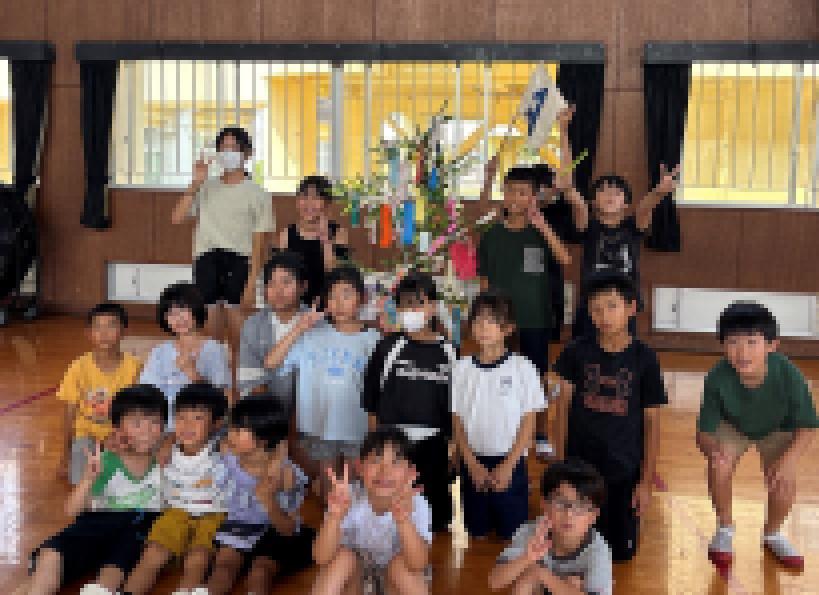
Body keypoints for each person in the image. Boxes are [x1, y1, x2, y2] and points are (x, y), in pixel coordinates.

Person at [551, 271, 666, 562]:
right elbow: (561, 409)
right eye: (596, 309)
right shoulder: (575, 352)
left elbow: (652, 423)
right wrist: (560, 463)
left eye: (612, 306)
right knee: (573, 546)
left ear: (631, 307)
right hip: (580, 469)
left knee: (621, 554)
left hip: (623, 471)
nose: (604, 316)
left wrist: (645, 482)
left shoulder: (645, 358)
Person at [697, 302, 818, 570]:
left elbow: (808, 426)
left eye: (752, 342)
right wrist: (713, 451)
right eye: (733, 342)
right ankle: (725, 528)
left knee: (783, 480)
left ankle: (772, 533)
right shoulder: (717, 377)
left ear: (772, 345)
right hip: (733, 425)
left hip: (778, 427)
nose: (742, 352)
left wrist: (788, 461)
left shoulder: (789, 374)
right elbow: (703, 433)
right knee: (719, 466)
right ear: (722, 345)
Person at [17, 386, 166, 595]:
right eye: (137, 423)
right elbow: (72, 510)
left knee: (112, 572)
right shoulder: (107, 461)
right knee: (50, 558)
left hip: (132, 533)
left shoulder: (165, 458)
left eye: (155, 422)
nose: (147, 431)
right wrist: (88, 479)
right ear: (117, 427)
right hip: (95, 524)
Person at [478, 166, 570, 462]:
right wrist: (486, 318)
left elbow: (565, 258)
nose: (515, 198)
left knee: (537, 378)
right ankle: (504, 430)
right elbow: (484, 282)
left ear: (534, 197)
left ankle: (540, 434)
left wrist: (542, 226)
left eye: (522, 193)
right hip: (499, 323)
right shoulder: (492, 235)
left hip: (535, 319)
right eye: (510, 191)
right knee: (498, 375)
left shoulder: (541, 231)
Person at [264, 265, 380, 482]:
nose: (339, 303)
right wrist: (299, 328)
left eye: (346, 295)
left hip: (358, 427)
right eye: (332, 296)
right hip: (320, 426)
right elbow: (271, 362)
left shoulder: (374, 340)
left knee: (356, 484)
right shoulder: (312, 336)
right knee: (328, 483)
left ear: (361, 298)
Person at [362, 270, 457, 533]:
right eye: (405, 304)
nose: (411, 310)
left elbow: (457, 404)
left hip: (434, 442)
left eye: (419, 303)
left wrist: (454, 445)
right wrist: (376, 446)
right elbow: (372, 401)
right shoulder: (387, 348)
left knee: (434, 517)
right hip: (394, 442)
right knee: (390, 508)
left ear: (433, 307)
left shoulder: (450, 351)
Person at [452, 291, 546, 540]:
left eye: (492, 320)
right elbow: (457, 420)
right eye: (478, 320)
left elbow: (529, 421)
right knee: (477, 532)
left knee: (512, 534)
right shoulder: (461, 369)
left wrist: (508, 465)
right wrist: (470, 463)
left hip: (510, 461)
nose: (483, 327)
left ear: (508, 328)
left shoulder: (523, 368)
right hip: (473, 461)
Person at [121, 383, 228, 595]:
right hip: (175, 512)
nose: (187, 425)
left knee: (198, 558)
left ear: (216, 424)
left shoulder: (221, 448)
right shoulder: (166, 447)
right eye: (181, 417)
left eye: (197, 418)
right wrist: (168, 440)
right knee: (152, 554)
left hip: (213, 514)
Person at [171, 126, 274, 344]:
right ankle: (216, 365)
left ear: (247, 153)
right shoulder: (206, 187)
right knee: (209, 323)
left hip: (240, 260)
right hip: (207, 258)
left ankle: (238, 366)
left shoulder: (258, 194)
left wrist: (252, 282)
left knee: (237, 324)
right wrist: (196, 182)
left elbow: (260, 243)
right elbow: (177, 218)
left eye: (234, 148)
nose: (229, 153)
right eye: (224, 148)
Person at [206, 396, 313, 595]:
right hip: (239, 526)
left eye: (239, 431)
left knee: (260, 571)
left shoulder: (286, 476)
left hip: (276, 531)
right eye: (231, 428)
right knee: (223, 567)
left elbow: (288, 529)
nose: (230, 435)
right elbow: (220, 440)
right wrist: (279, 450)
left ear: (263, 439)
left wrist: (268, 500)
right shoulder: (228, 457)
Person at [311, 428, 432, 595]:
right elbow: (321, 557)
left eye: (395, 462)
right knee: (342, 558)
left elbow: (418, 563)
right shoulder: (346, 497)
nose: (384, 471)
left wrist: (404, 521)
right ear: (359, 467)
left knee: (402, 567)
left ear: (410, 471)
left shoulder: (417, 503)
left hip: (394, 583)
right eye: (375, 461)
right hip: (358, 581)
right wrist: (334, 517)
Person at [569, 166, 679, 340]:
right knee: (584, 349)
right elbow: (579, 206)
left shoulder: (633, 227)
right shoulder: (589, 227)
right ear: (593, 201)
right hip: (592, 304)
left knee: (622, 349)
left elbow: (645, 207)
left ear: (626, 203)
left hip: (623, 305)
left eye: (617, 193)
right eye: (603, 191)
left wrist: (658, 192)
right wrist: (568, 189)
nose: (610, 195)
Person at [489, 459, 612, 595]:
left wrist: (542, 574)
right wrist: (526, 557)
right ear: (544, 504)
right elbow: (495, 582)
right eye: (560, 502)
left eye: (581, 506)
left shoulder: (598, 549)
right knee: (528, 576)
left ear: (593, 515)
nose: (569, 514)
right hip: (540, 589)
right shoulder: (532, 532)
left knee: (573, 582)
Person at [56, 302, 142, 484]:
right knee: (79, 481)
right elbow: (70, 414)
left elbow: (137, 412)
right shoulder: (78, 368)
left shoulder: (135, 367)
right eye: (97, 327)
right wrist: (65, 455)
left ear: (124, 331)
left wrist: (122, 436)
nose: (104, 333)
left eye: (111, 326)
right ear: (88, 333)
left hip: (122, 434)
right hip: (88, 435)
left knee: (132, 477)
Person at [140, 282, 231, 428]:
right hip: (164, 426)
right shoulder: (159, 352)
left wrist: (192, 373)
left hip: (201, 428)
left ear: (196, 310)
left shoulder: (214, 349)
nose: (178, 318)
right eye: (171, 313)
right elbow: (148, 394)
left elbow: (221, 399)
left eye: (183, 310)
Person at [237, 250, 309, 413]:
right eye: (271, 283)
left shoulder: (316, 324)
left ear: (303, 286)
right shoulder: (253, 325)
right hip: (267, 415)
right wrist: (273, 419)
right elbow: (251, 381)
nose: (278, 290)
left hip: (310, 414)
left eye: (286, 282)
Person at [278, 175, 350, 307]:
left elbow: (338, 275)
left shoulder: (339, 233)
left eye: (316, 197)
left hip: (329, 306)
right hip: (294, 306)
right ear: (297, 201)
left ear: (327, 203)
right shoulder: (286, 235)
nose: (309, 203)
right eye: (304, 196)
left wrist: (325, 239)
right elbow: (281, 276)